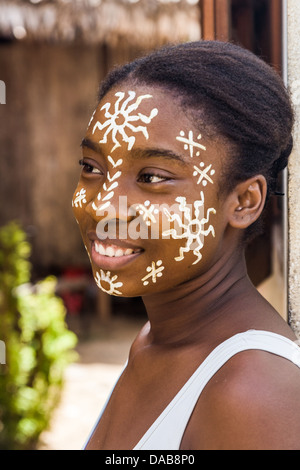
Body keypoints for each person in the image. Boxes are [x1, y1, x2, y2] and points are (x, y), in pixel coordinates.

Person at [72, 40, 300, 450]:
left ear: (244, 202)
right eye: (92, 168)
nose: (105, 205)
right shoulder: (153, 339)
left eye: (153, 177)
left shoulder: (253, 392)